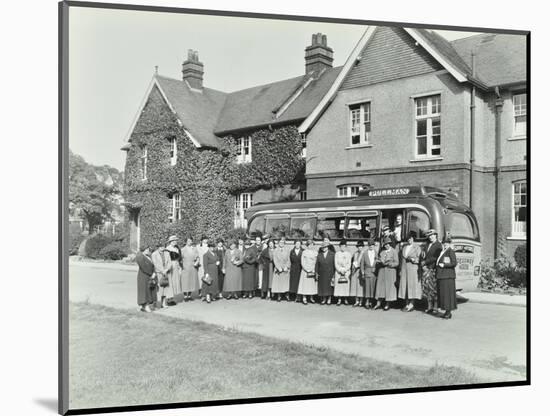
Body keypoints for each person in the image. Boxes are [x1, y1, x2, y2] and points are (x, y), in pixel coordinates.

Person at [398, 231, 422, 312]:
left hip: (413, 269)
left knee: (412, 287)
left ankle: (411, 304)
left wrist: (413, 259)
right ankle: (407, 303)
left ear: (413, 238)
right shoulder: (404, 247)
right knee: (405, 286)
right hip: (404, 269)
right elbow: (401, 260)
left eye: (411, 238)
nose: (409, 240)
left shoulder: (417, 247)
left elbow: (419, 259)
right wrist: (400, 269)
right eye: (408, 239)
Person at [421, 229, 443, 314]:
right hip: (426, 269)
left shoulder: (438, 245)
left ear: (436, 235)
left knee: (434, 289)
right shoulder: (427, 245)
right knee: (427, 288)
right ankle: (429, 306)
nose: (430, 237)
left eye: (432, 235)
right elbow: (423, 255)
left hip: (433, 269)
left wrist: (426, 262)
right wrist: (423, 265)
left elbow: (436, 257)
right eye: (429, 236)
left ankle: (435, 307)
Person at [374, 237, 399, 310]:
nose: (387, 245)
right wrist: (379, 261)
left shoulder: (394, 251)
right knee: (380, 287)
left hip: (390, 272)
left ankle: (387, 304)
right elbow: (379, 259)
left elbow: (397, 263)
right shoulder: (382, 252)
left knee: (389, 288)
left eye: (388, 244)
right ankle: (378, 303)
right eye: (385, 244)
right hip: (382, 271)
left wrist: (390, 264)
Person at [436, 236, 458, 319]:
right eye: (444, 243)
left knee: (448, 295)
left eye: (447, 243)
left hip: (448, 276)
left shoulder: (450, 251)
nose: (445, 244)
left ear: (449, 244)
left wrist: (444, 265)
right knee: (444, 295)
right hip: (443, 276)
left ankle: (448, 312)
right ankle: (446, 311)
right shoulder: (443, 251)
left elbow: (454, 263)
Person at [136, 245, 157, 313]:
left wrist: (154, 272)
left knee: (148, 291)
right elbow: (144, 267)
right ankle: (145, 306)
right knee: (144, 291)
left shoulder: (148, 256)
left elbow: (153, 266)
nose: (148, 251)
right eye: (147, 249)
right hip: (143, 276)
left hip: (149, 276)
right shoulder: (140, 257)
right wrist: (151, 273)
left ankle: (143, 306)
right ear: (143, 250)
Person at [297, 239, 318, 304]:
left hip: (312, 270)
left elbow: (316, 262)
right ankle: (304, 297)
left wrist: (313, 269)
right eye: (309, 245)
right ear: (307, 246)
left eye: (312, 245)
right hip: (305, 271)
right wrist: (306, 269)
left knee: (311, 285)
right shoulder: (304, 252)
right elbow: (302, 262)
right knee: (305, 285)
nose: (311, 246)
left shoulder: (315, 252)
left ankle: (311, 298)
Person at [315, 240, 335, 305]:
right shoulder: (319, 255)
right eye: (323, 247)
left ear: (328, 247)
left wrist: (334, 274)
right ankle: (324, 299)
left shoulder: (332, 254)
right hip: (322, 273)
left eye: (325, 247)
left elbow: (334, 265)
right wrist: (316, 272)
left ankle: (329, 298)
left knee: (329, 287)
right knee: (323, 287)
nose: (324, 248)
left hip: (330, 273)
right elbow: (317, 264)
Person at [164, 235, 183, 303]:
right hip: (170, 265)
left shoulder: (177, 248)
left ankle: (172, 297)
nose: (175, 242)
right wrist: (167, 268)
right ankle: (169, 298)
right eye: (174, 241)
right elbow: (166, 259)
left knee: (175, 281)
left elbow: (179, 258)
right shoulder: (167, 249)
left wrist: (179, 266)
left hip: (176, 265)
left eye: (176, 241)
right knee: (170, 281)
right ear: (170, 241)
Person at [180, 237, 200, 301]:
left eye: (191, 241)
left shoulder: (194, 248)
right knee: (185, 281)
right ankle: (185, 296)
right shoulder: (182, 249)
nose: (190, 242)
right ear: (186, 241)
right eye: (188, 241)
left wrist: (196, 262)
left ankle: (189, 295)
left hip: (193, 267)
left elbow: (197, 257)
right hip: (185, 267)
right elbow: (180, 259)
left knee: (192, 281)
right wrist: (181, 266)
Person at [151, 243, 170, 308]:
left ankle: (163, 303)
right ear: (158, 247)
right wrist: (162, 270)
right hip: (159, 273)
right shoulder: (154, 254)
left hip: (166, 273)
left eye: (163, 246)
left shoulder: (167, 253)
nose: (162, 248)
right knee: (158, 289)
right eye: (161, 246)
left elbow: (169, 263)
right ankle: (155, 303)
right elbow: (155, 264)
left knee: (165, 288)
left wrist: (166, 269)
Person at [360, 238, 378, 308]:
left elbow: (378, 262)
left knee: (373, 287)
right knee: (367, 287)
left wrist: (375, 268)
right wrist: (362, 273)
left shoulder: (376, 252)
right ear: (368, 245)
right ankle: (367, 301)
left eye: (372, 245)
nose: (371, 246)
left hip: (373, 273)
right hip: (367, 271)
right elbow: (362, 264)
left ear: (374, 246)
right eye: (370, 245)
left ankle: (371, 301)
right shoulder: (365, 253)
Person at [272, 237, 291, 301]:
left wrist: (287, 267)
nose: (281, 243)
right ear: (278, 243)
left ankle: (287, 296)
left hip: (285, 269)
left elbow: (289, 259)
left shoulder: (287, 250)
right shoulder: (275, 250)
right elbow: (275, 260)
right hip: (278, 269)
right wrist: (278, 267)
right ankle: (279, 296)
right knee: (278, 283)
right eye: (280, 242)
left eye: (283, 242)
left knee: (286, 283)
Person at [334, 240, 352, 305]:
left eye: (344, 246)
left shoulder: (348, 254)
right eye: (341, 246)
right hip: (339, 272)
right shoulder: (337, 254)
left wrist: (345, 270)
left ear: (346, 247)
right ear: (340, 247)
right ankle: (339, 299)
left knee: (345, 286)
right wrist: (340, 270)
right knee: (339, 286)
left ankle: (345, 299)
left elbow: (349, 264)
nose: (343, 248)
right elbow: (335, 263)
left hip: (346, 272)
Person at [349, 241, 365, 307]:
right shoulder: (355, 253)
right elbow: (352, 261)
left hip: (360, 271)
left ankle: (361, 301)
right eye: (358, 246)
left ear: (362, 247)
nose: (359, 248)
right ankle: (356, 301)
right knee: (355, 286)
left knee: (360, 287)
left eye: (361, 246)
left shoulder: (364, 253)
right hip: (355, 271)